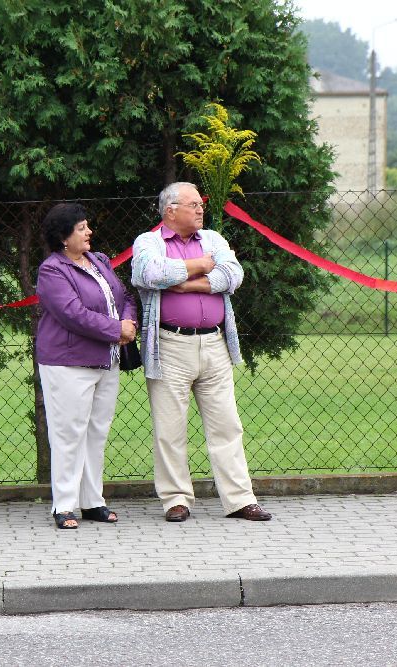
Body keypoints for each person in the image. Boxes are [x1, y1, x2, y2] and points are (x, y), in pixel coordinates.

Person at [131, 182, 272, 523]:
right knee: (170, 428)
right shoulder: (148, 242)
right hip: (170, 346)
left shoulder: (213, 239)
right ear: (170, 211)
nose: (200, 210)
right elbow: (150, 273)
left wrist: (186, 281)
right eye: (192, 205)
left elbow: (233, 275)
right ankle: (176, 500)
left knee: (227, 424)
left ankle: (240, 500)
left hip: (214, 345)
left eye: (200, 204)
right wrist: (202, 266)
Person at [36, 203, 137, 529]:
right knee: (68, 434)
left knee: (97, 432)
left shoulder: (99, 261)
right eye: (81, 228)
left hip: (106, 360)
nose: (89, 232)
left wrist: (128, 322)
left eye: (87, 226)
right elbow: (72, 313)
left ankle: (93, 501)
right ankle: (64, 506)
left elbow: (124, 298)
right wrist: (115, 330)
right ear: (64, 237)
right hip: (68, 363)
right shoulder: (52, 270)